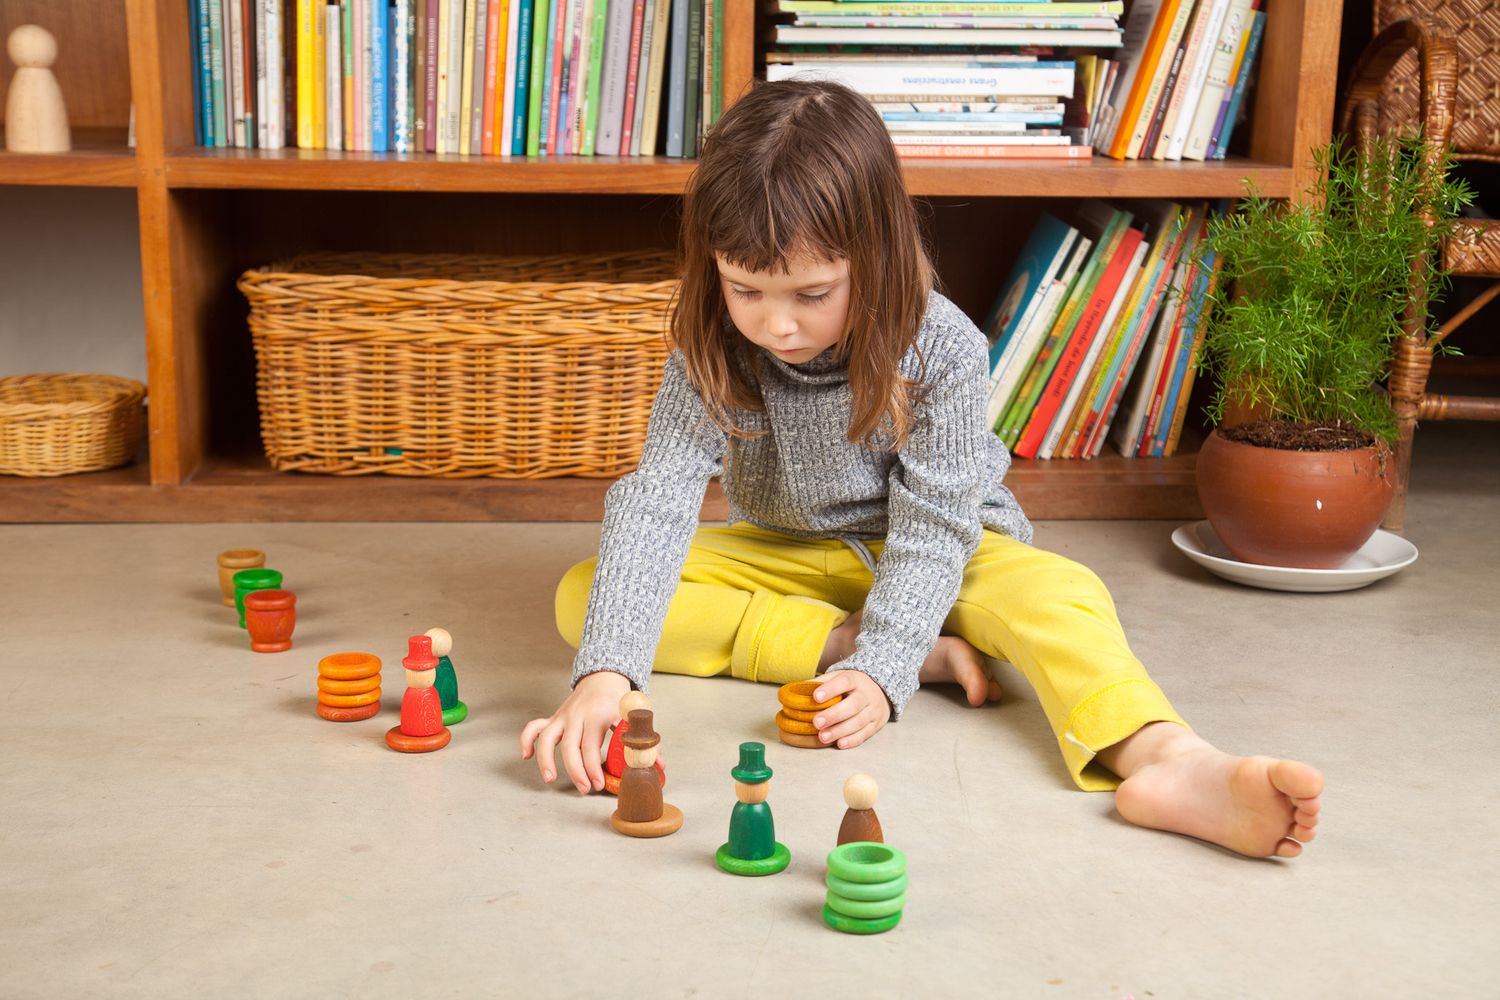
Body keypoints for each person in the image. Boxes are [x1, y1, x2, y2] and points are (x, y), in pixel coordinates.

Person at [519, 79, 1323, 859]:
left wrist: (885, 669)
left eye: (811, 292)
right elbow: (658, 495)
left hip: (946, 554)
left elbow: (937, 527)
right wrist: (606, 676)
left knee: (1060, 594)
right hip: (792, 558)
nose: (776, 323)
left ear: (872, 257)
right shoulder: (709, 342)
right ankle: (848, 643)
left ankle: (1167, 759)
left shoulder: (944, 347)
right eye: (745, 289)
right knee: (585, 594)